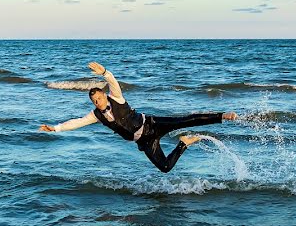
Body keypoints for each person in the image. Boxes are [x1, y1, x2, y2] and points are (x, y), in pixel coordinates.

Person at [39, 62, 237, 173]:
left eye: (99, 98)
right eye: (94, 101)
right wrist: (56, 129)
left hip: (152, 125)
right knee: (165, 167)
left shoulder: (115, 96)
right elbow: (76, 123)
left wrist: (105, 73)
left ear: (103, 94)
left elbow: (113, 81)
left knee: (187, 119)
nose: (98, 102)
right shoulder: (96, 115)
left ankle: (223, 116)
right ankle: (183, 143)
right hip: (143, 141)